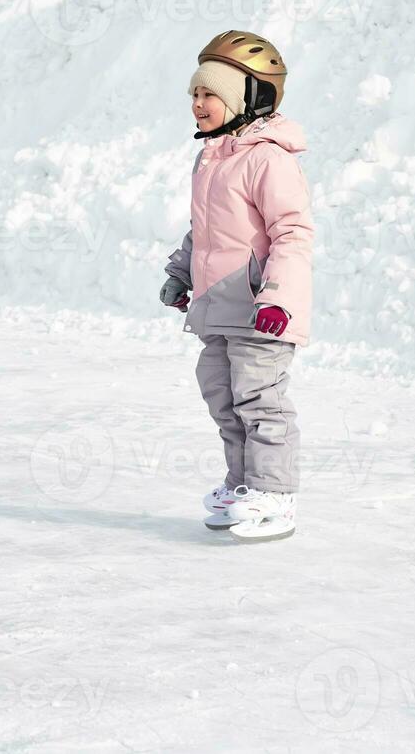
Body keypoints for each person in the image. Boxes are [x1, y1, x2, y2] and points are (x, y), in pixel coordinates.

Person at [160, 31, 314, 543]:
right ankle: (245, 485)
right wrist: (182, 272)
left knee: (260, 400)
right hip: (219, 305)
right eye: (194, 94)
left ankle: (276, 495)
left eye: (209, 94)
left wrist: (279, 299)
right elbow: (203, 229)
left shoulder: (267, 159)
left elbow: (292, 233)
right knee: (224, 399)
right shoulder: (212, 159)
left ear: (246, 98)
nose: (197, 104)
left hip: (260, 308)